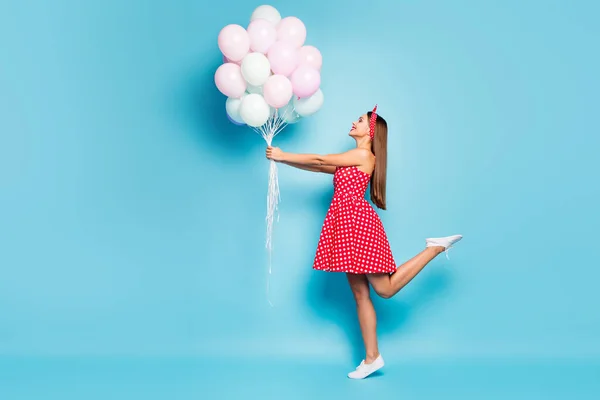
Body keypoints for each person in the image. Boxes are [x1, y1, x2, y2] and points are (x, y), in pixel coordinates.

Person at [265, 105, 462, 379]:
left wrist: (284, 154)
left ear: (370, 131)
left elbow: (321, 160)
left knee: (385, 289)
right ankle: (372, 358)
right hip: (346, 228)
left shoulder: (361, 155)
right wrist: (282, 160)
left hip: (358, 226)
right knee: (360, 294)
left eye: (359, 120)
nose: (353, 122)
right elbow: (318, 166)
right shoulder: (351, 159)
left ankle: (434, 248)